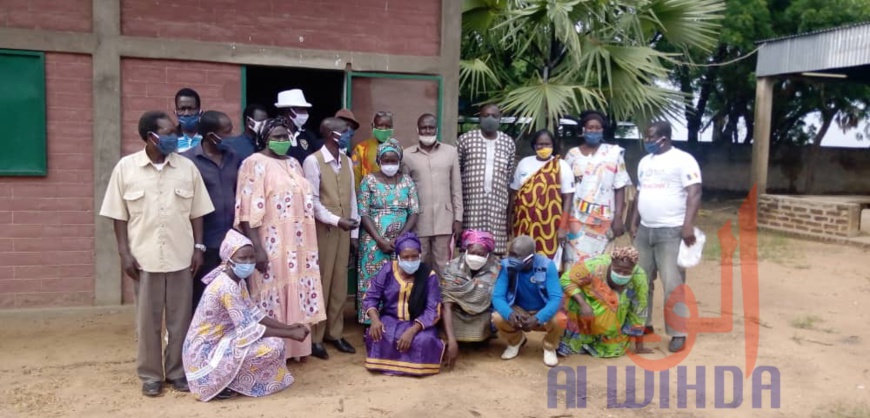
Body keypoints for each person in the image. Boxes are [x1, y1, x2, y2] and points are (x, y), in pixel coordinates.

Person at [100, 110, 214, 397]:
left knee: (180, 320)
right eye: (167, 133)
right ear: (150, 136)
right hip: (144, 259)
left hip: (181, 257)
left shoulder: (187, 168)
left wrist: (198, 248)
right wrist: (124, 253)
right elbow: (118, 216)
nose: (173, 137)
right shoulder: (126, 169)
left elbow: (198, 212)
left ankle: (177, 371)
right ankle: (150, 375)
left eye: (174, 133)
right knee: (147, 321)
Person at [235, 117, 327, 360]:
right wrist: (257, 248)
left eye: (285, 136)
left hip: (299, 243)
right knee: (271, 293)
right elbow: (246, 210)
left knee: (297, 289)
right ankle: (274, 351)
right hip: (271, 242)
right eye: (276, 137)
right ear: (265, 138)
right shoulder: (253, 163)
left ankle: (297, 349)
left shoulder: (294, 163)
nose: (281, 141)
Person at [183, 230, 309, 402]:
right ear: (229, 260)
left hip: (221, 341)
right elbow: (249, 329)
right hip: (203, 356)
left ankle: (229, 380)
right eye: (243, 258)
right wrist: (290, 334)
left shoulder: (237, 281)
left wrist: (289, 327)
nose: (249, 262)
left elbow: (255, 314)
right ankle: (219, 383)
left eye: (251, 257)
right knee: (272, 346)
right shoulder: (226, 287)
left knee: (275, 343)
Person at [629, 121, 702, 353]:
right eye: (646, 137)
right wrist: (633, 222)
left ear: (664, 137)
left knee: (673, 283)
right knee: (641, 281)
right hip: (645, 230)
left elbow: (694, 192)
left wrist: (687, 225)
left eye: (651, 137)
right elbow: (639, 193)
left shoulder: (683, 160)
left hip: (671, 231)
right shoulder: (644, 162)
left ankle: (678, 332)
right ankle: (644, 325)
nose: (647, 141)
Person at [302, 117, 360, 360]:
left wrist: (354, 234)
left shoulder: (346, 161)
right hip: (324, 231)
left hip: (344, 231)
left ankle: (334, 333)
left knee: (338, 284)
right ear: (330, 134)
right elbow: (312, 202)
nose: (348, 134)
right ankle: (316, 337)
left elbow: (353, 198)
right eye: (344, 131)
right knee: (321, 283)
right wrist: (337, 221)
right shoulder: (312, 161)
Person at [181, 110, 243, 312]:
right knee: (201, 297)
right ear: (210, 136)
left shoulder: (234, 157)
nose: (231, 136)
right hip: (205, 242)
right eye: (226, 132)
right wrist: (197, 246)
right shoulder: (188, 162)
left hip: (232, 242)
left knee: (230, 296)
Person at [363, 232, 444, 376]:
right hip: (391, 320)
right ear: (398, 257)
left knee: (424, 340)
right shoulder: (388, 269)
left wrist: (412, 331)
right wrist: (375, 320)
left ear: (420, 256)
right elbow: (371, 297)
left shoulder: (428, 275)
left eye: (414, 256)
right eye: (406, 257)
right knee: (377, 334)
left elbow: (433, 309)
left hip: (417, 323)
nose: (410, 260)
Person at [357, 139, 420, 324]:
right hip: (373, 241)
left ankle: (395, 318)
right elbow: (363, 212)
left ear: (400, 161)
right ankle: (370, 321)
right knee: (373, 279)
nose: (390, 164)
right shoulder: (368, 181)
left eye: (394, 161)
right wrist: (379, 240)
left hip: (401, 242)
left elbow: (414, 211)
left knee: (398, 278)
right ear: (378, 160)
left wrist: (400, 239)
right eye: (386, 160)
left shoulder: (407, 181)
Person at [563, 111, 631, 266]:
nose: (593, 131)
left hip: (603, 219)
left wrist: (619, 217)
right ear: (583, 130)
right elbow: (566, 189)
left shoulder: (614, 153)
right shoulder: (572, 155)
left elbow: (620, 186)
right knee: (574, 262)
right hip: (576, 217)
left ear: (602, 130)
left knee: (599, 265)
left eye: (597, 128)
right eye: (590, 127)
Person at [558, 246, 651, 358]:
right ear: (611, 263)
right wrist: (583, 304)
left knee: (612, 346)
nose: (621, 275)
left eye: (627, 272)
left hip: (614, 322)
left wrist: (639, 344)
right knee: (568, 296)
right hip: (585, 308)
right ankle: (572, 336)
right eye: (617, 270)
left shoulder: (638, 277)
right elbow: (566, 279)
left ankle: (602, 338)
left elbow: (639, 309)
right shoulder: (595, 265)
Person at [402, 113, 463, 277]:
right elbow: (404, 190)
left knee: (443, 264)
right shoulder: (407, 155)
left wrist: (458, 218)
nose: (427, 130)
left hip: (445, 219)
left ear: (436, 129)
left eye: (430, 127)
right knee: (419, 263)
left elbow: (456, 187)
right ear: (417, 129)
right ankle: (421, 300)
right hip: (418, 221)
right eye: (424, 127)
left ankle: (443, 301)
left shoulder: (450, 152)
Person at [491, 235, 564, 367]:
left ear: (531, 257)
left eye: (516, 255)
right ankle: (516, 341)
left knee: (560, 319)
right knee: (497, 317)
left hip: (542, 310)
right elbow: (497, 297)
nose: (511, 259)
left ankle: (549, 346)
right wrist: (509, 314)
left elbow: (556, 299)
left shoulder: (547, 266)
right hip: (519, 310)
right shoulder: (506, 266)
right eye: (510, 254)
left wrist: (538, 317)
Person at [457, 104, 516, 255]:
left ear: (500, 119)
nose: (490, 119)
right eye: (486, 115)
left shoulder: (508, 143)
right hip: (471, 207)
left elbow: (508, 177)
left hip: (497, 207)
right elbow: (457, 172)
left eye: (494, 116)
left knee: (495, 253)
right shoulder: (465, 140)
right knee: (470, 249)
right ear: (479, 118)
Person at [508, 129, 574, 260]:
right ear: (534, 145)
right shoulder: (524, 163)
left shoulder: (561, 165)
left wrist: (562, 226)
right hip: (523, 222)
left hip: (549, 225)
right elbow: (514, 193)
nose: (543, 147)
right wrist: (509, 220)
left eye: (547, 144)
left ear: (553, 145)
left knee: (545, 260)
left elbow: (568, 198)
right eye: (540, 144)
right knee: (522, 257)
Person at [440, 229, 500, 369]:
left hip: (482, 312)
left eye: (480, 254)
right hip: (456, 313)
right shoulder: (452, 267)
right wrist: (452, 341)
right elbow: (446, 302)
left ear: (488, 254)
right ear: (466, 250)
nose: (475, 257)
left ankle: (484, 338)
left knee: (498, 314)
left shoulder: (496, 268)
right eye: (472, 252)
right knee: (440, 311)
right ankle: (454, 338)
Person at [274, 89, 320, 164]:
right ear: (289, 111)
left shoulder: (307, 135)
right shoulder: (275, 134)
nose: (306, 114)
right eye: (301, 110)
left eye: (305, 110)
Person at [351, 111, 394, 190]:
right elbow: (355, 179)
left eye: (388, 126)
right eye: (380, 125)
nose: (384, 129)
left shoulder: (397, 149)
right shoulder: (361, 149)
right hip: (368, 197)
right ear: (373, 126)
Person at [175, 88, 203, 152]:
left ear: (200, 112)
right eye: (182, 109)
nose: (186, 113)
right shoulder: (170, 138)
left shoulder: (209, 138)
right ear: (176, 112)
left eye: (191, 109)